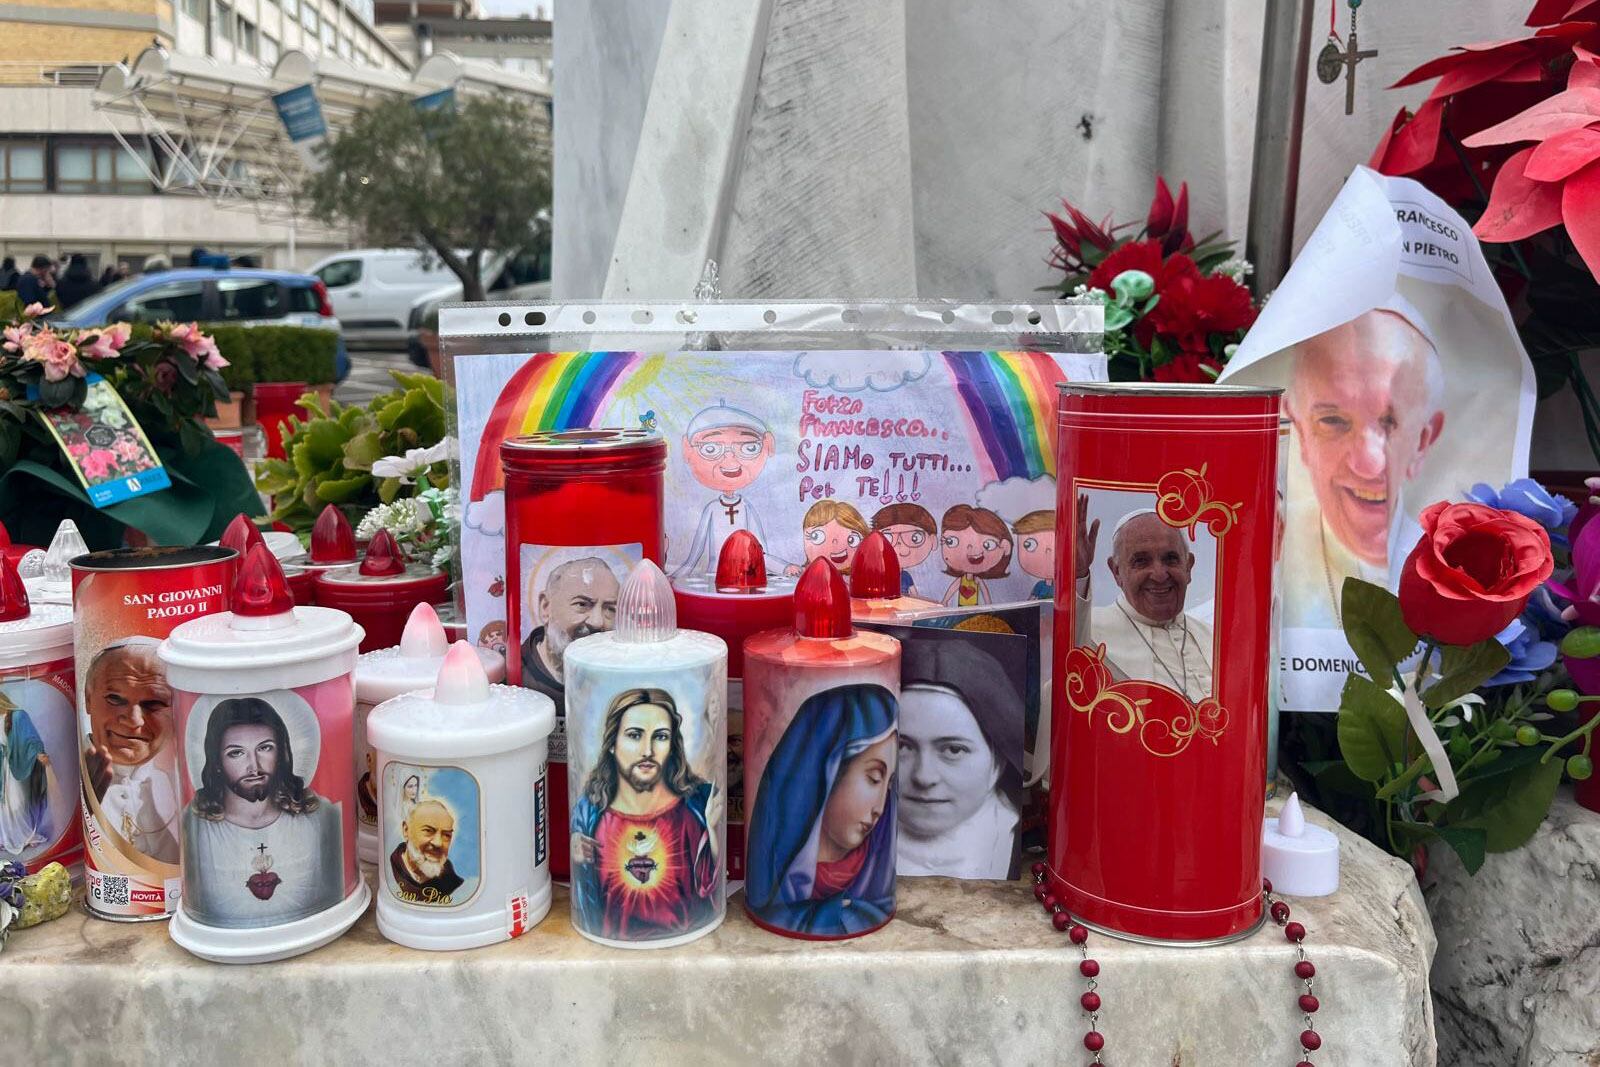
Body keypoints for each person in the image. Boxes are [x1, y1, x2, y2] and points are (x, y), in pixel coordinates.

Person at [1281, 301, 1445, 628]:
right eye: (1333, 421)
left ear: (1422, 443)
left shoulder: (1454, 567)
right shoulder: (1264, 567)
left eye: (1389, 422)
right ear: (1298, 430)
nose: (1368, 465)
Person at [746, 684, 897, 937]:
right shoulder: (774, 880)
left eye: (889, 783)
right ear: (828, 771)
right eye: (873, 778)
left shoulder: (874, 879)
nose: (880, 808)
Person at [570, 688, 719, 941]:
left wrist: (713, 834)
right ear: (612, 744)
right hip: (606, 955)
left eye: (660, 737)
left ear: (672, 746)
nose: (647, 750)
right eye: (634, 735)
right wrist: (576, 855)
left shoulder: (700, 804)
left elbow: (711, 886)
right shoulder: (588, 813)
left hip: (690, 950)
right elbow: (587, 903)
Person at [181, 696, 343, 928]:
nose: (254, 766)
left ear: (283, 753)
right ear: (216, 761)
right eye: (236, 753)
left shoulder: (320, 816)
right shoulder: (194, 824)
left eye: (265, 748)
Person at [896, 640, 1024, 879]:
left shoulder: (1025, 855)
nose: (924, 776)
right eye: (902, 747)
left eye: (953, 750)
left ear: (998, 762)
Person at [1072, 504, 1214, 702]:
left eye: (1170, 559)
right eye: (1141, 561)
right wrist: (1078, 575)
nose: (1159, 575)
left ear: (1188, 566)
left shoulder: (1213, 639)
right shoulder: (1091, 631)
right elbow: (1070, 657)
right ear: (1116, 572)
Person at [81, 639, 180, 863]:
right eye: (115, 699)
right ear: (88, 699)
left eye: (154, 703)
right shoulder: (65, 773)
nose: (133, 720)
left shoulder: (184, 783)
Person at [672, 402, 780, 577]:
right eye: (711, 448)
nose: (730, 460)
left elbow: (761, 552)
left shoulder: (746, 508)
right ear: (688, 450)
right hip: (714, 577)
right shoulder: (712, 510)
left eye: (748, 447)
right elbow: (696, 553)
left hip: (747, 575)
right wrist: (676, 577)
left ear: (768, 445)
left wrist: (783, 568)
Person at [519, 556, 621, 703]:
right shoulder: (513, 677)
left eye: (610, 609)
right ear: (546, 607)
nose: (597, 622)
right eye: (582, 604)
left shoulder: (624, 678)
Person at [0, 693, 54, 858]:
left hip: (16, 763)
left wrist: (38, 753)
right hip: (2, 767)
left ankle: (26, 835)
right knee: (3, 805)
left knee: (18, 802)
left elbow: (31, 738)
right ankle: (5, 837)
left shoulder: (18, 716)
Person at [389, 797, 464, 904]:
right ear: (406, 830)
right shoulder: (391, 870)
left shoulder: (452, 882)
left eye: (446, 835)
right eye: (428, 831)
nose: (438, 843)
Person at [939, 505, 1013, 607]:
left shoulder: (977, 580)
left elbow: (984, 591)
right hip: (961, 607)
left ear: (1005, 546)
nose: (971, 550)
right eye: (951, 541)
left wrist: (989, 605)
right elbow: (952, 589)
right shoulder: (961, 579)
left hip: (974, 607)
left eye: (988, 544)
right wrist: (945, 600)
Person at [785, 499, 869, 577]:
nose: (835, 544)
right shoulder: (809, 572)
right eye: (817, 536)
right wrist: (790, 568)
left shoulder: (859, 576)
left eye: (852, 540)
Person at [872, 503, 938, 597]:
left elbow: (914, 593)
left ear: (933, 541)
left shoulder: (906, 576)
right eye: (888, 538)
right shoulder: (882, 576)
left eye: (915, 538)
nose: (903, 550)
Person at [1013, 510, 1056, 600]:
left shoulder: (1060, 586)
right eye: (1029, 545)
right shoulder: (1040, 585)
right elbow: (1031, 599)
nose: (1048, 554)